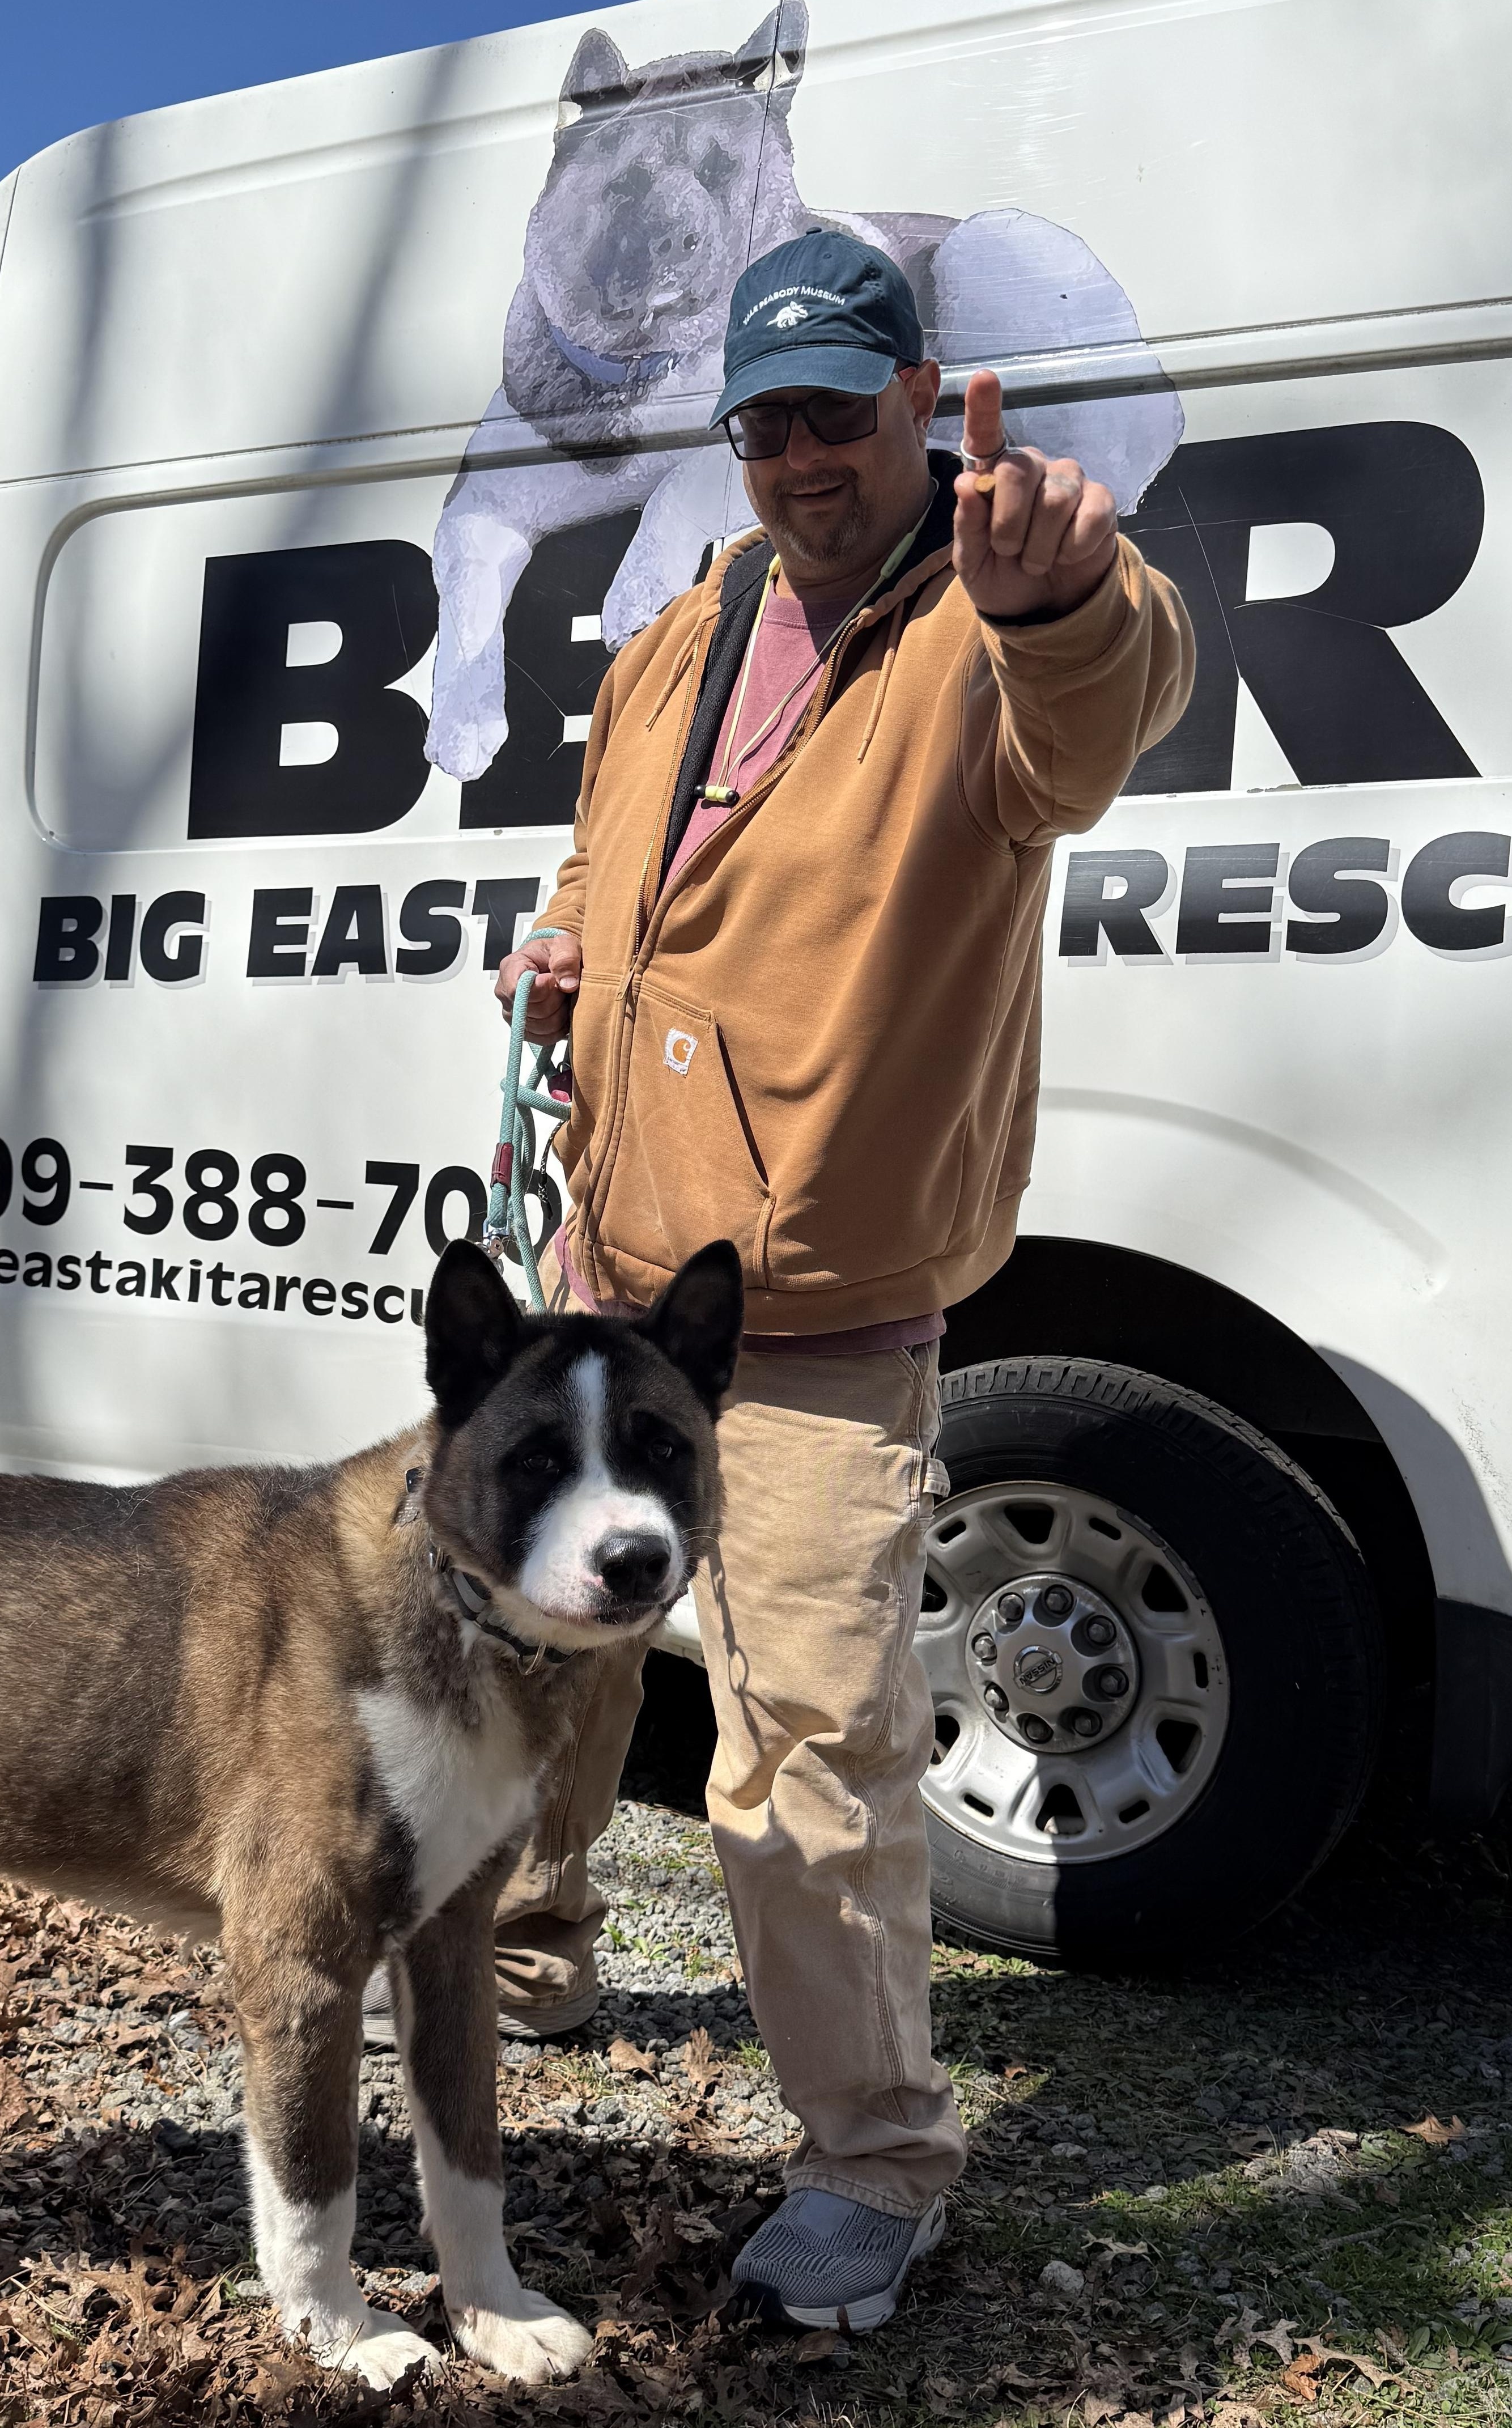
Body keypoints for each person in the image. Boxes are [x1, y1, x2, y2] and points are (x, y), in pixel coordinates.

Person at [491, 230, 1194, 2329]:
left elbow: (1106, 708)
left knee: (806, 1745)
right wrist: (561, 943)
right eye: (767, 418)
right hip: (613, 1256)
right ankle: (530, 1952)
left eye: (838, 412)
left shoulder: (991, 634)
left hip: (813, 1311)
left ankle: (874, 2165)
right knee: (547, 1642)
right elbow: (612, 849)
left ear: (917, 401)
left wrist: (1068, 589)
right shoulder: (688, 623)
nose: (801, 456)